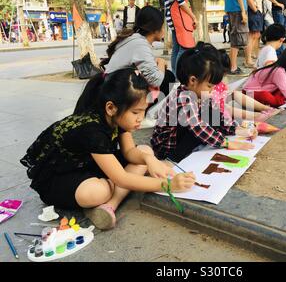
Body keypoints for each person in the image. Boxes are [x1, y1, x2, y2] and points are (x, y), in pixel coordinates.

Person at [20, 68, 195, 230]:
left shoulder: (118, 118)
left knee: (145, 151)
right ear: (111, 108)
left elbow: (129, 152)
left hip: (87, 164)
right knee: (99, 191)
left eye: (143, 111)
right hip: (59, 177)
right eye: (135, 113)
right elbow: (122, 178)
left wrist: (151, 160)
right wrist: (169, 185)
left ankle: (109, 206)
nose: (140, 119)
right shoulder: (92, 129)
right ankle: (106, 199)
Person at [151, 42, 257, 163]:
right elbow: (198, 127)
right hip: (166, 148)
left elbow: (218, 116)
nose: (212, 91)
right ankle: (172, 160)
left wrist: (239, 130)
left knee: (211, 112)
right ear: (193, 80)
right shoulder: (183, 96)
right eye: (209, 86)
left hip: (179, 138)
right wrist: (226, 143)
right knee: (202, 124)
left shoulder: (200, 93)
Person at [104, 6, 176, 98]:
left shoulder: (135, 39)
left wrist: (156, 60)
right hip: (116, 93)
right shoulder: (140, 44)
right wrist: (161, 62)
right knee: (168, 78)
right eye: (162, 26)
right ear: (154, 28)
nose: (163, 30)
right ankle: (142, 111)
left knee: (165, 75)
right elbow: (156, 81)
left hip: (113, 86)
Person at [212, 48, 281, 123]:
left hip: (218, 104)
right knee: (226, 107)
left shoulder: (214, 81)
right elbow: (218, 106)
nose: (222, 77)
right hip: (215, 109)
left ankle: (266, 109)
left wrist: (225, 92)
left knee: (235, 94)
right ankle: (257, 116)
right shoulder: (206, 84)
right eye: (223, 74)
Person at [162, 0, 197, 75]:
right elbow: (181, 2)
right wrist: (193, 16)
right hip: (178, 18)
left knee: (177, 48)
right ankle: (178, 77)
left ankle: (175, 76)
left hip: (175, 18)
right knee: (184, 47)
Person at [224, 0, 250, 75]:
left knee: (235, 36)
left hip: (231, 6)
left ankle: (232, 66)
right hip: (237, 7)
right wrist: (243, 10)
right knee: (237, 37)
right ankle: (233, 67)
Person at [244, 0, 265, 69]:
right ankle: (248, 60)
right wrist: (255, 9)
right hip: (254, 9)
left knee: (256, 35)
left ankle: (252, 57)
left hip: (257, 8)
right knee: (252, 35)